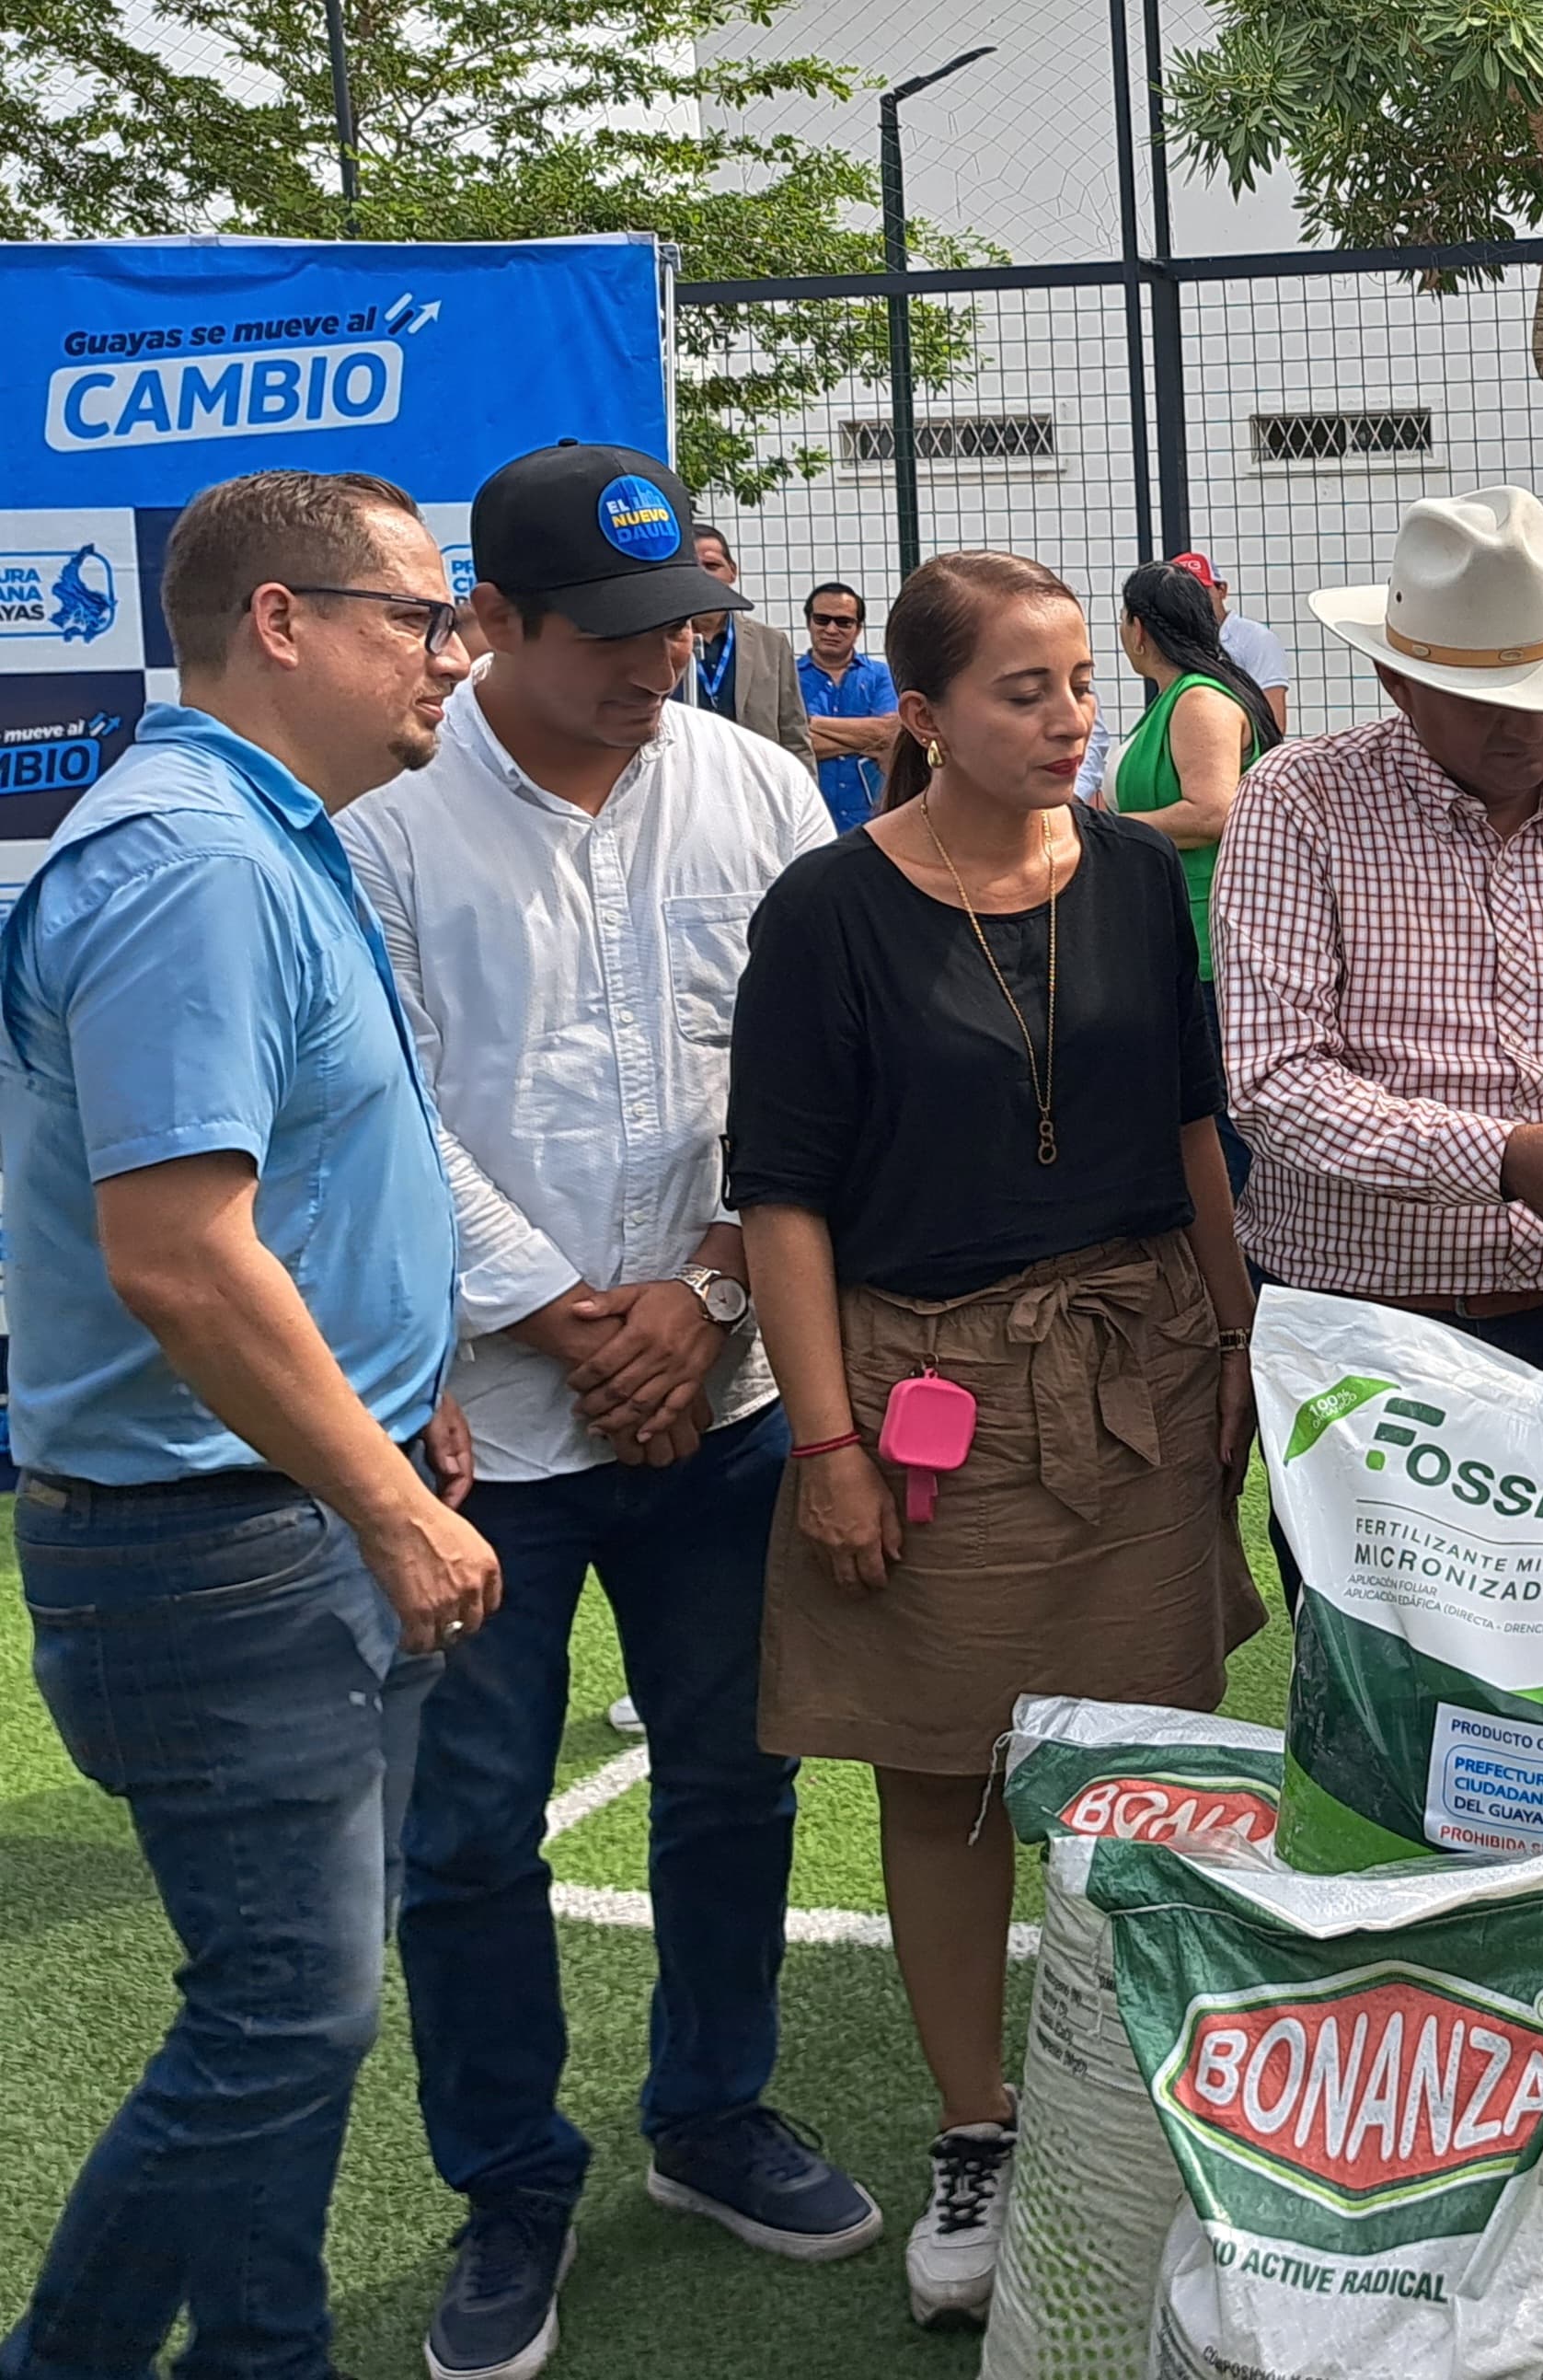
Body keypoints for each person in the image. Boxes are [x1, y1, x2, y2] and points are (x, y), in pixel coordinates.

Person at [340, 441, 870, 2380]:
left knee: (734, 1776)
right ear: (491, 620)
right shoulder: (387, 827)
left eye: (686, 629)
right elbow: (387, 1111)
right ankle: (508, 2186)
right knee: (471, 1829)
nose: (661, 666)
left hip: (723, 1389)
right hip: (485, 1424)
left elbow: (812, 1066)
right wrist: (576, 1323)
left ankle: (710, 2113)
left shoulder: (753, 784)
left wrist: (709, 1291)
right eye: (616, 637)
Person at [727, 548, 1262, 2330]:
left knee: (1153, 1768)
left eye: (1079, 686)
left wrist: (1237, 1339)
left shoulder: (1132, 877)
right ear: (925, 711)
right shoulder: (827, 912)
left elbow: (1188, 1132)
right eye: (1022, 691)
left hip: (1135, 1373)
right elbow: (782, 1201)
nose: (1068, 719)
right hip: (921, 1395)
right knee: (945, 1775)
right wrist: (827, 1444)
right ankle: (978, 2126)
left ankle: (1151, 2117)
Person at [0, 469, 499, 2380]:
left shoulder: (260, 837)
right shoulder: (195, 863)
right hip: (218, 1541)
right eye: (419, 616)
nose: (450, 654)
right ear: (280, 622)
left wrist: (403, 1395)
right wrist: (387, 1500)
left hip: (274, 1514)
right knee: (284, 2016)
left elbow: (293, 1186)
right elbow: (182, 1260)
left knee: (295, 2014)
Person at [1212, 485, 1543, 1598]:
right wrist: (1502, 1159)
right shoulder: (1299, 803)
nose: (1531, 728)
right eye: (1489, 702)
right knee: (1368, 1656)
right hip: (1362, 1340)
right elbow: (1273, 1081)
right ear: (1397, 682)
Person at [1112, 557, 1280, 1196]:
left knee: (1220, 1123)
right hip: (1180, 932)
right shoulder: (1179, 696)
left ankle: (1239, 1246)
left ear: (1138, 628)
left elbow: (1212, 810)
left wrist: (1105, 830)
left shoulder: (1197, 699)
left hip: (1207, 939)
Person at [678, 522, 814, 762]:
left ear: (732, 571)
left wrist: (806, 782)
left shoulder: (771, 644)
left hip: (753, 775)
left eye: (712, 566)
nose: (703, 575)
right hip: (684, 771)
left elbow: (794, 733)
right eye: (692, 567)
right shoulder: (659, 642)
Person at [797, 580, 898, 832]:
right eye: (822, 620)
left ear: (858, 628)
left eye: (843, 622)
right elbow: (792, 744)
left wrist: (811, 723)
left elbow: (890, 734)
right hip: (809, 819)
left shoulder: (881, 676)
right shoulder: (787, 677)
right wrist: (866, 739)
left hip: (873, 820)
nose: (831, 629)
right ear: (809, 622)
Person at [1169, 549, 1291, 734]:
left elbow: (1274, 724)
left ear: (1222, 590)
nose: (1192, 601)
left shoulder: (1255, 638)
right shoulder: (1173, 642)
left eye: (1200, 591)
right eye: (1182, 594)